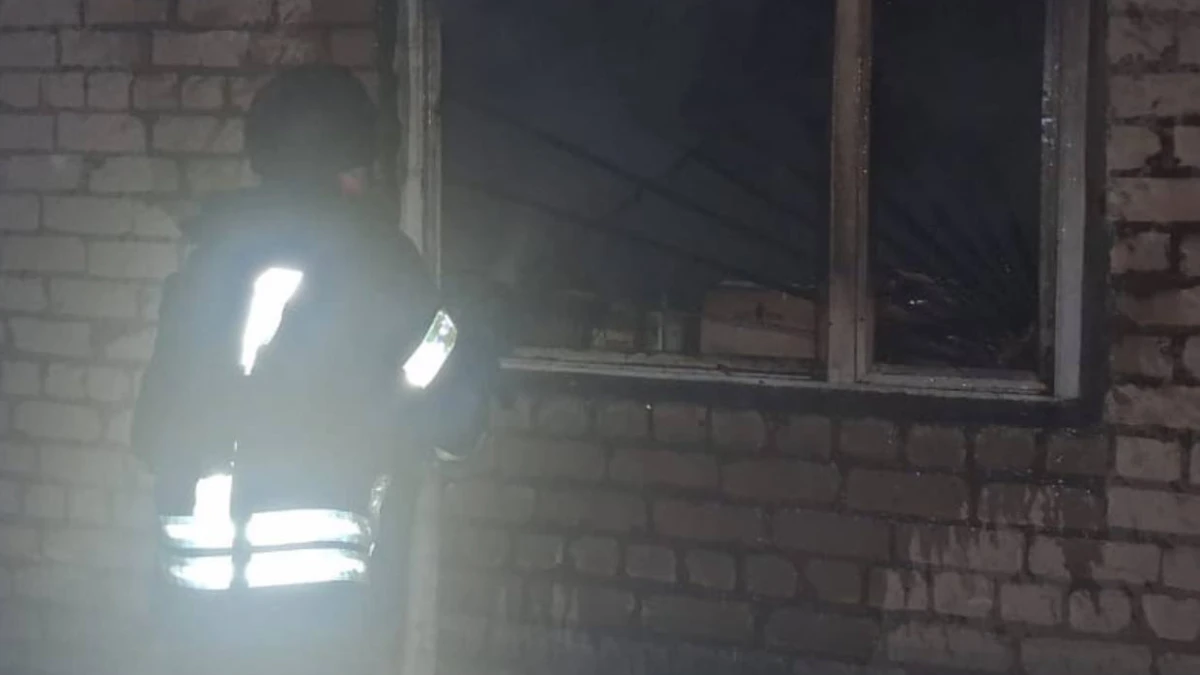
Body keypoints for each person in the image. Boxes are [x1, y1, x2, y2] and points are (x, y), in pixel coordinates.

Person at [132, 64, 491, 673]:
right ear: (352, 164)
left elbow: (149, 436)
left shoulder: (210, 256)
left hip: (191, 606)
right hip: (315, 612)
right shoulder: (379, 258)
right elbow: (455, 427)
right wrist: (473, 337)